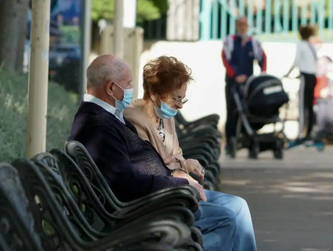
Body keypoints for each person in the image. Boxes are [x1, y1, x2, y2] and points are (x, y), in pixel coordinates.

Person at [68, 54, 256, 251]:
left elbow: (136, 166)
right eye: (129, 83)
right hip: (145, 209)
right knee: (225, 219)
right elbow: (125, 181)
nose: (133, 89)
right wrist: (179, 183)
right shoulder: (99, 124)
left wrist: (178, 181)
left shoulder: (105, 118)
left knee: (234, 210)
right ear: (111, 88)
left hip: (158, 197)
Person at [124, 56, 257, 251]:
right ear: (154, 93)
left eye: (182, 98)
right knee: (227, 217)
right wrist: (178, 171)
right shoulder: (134, 117)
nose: (180, 105)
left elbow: (173, 155)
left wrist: (186, 163)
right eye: (176, 98)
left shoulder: (164, 115)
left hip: (181, 186)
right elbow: (154, 165)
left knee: (239, 206)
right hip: (166, 195)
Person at [221, 16, 267, 153]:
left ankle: (250, 140)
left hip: (248, 84)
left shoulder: (253, 42)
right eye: (240, 24)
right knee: (232, 112)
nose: (242, 27)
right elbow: (225, 59)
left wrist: (263, 75)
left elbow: (262, 58)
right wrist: (235, 76)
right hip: (233, 83)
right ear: (236, 26)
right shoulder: (229, 41)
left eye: (245, 24)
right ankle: (231, 141)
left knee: (249, 112)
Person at [284, 25, 318, 142]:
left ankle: (300, 134)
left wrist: (288, 73)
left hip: (306, 76)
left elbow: (297, 61)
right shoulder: (311, 46)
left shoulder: (301, 45)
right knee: (310, 105)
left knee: (303, 105)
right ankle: (309, 131)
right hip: (313, 77)